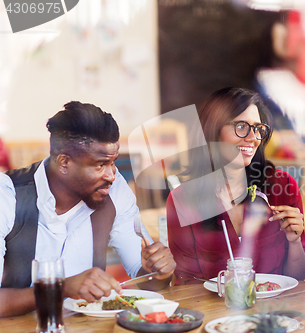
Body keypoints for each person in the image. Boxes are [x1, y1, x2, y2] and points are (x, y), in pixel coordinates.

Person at [0, 102, 176, 317]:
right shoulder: (8, 195)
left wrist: (159, 273)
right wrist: (61, 287)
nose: (111, 175)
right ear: (64, 162)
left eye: (113, 162)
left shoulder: (115, 190)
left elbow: (147, 280)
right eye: (100, 164)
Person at [166, 87, 305, 284]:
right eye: (241, 126)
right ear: (212, 130)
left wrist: (294, 242)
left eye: (258, 129)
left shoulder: (281, 186)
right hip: (216, 312)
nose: (252, 138)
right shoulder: (183, 200)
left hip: (273, 309)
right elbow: (185, 283)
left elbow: (299, 276)